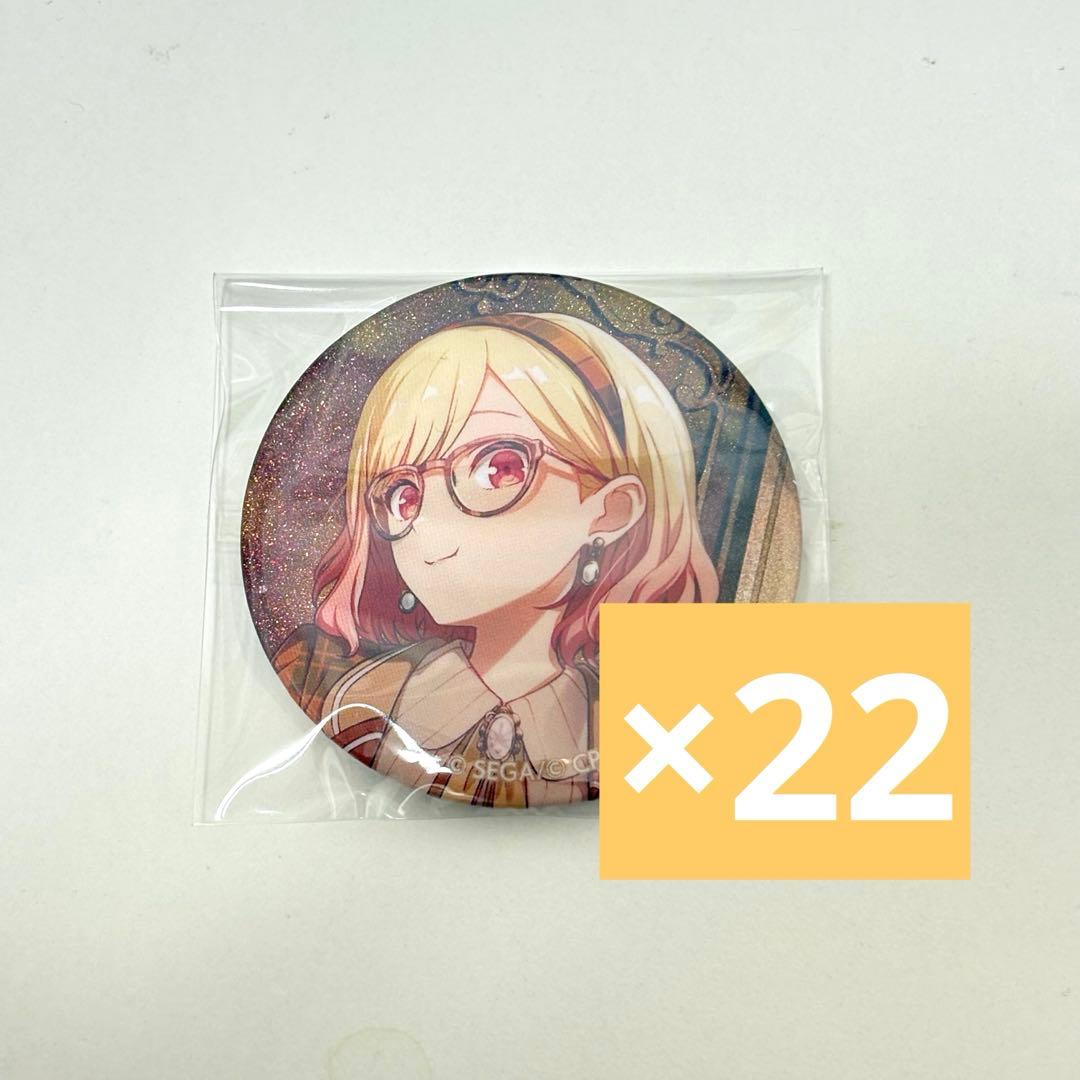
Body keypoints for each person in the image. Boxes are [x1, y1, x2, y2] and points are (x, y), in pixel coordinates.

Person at [272, 312, 719, 807]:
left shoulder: (666, 718)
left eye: (498, 469)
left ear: (609, 510)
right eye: (404, 497)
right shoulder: (334, 689)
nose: (431, 533)